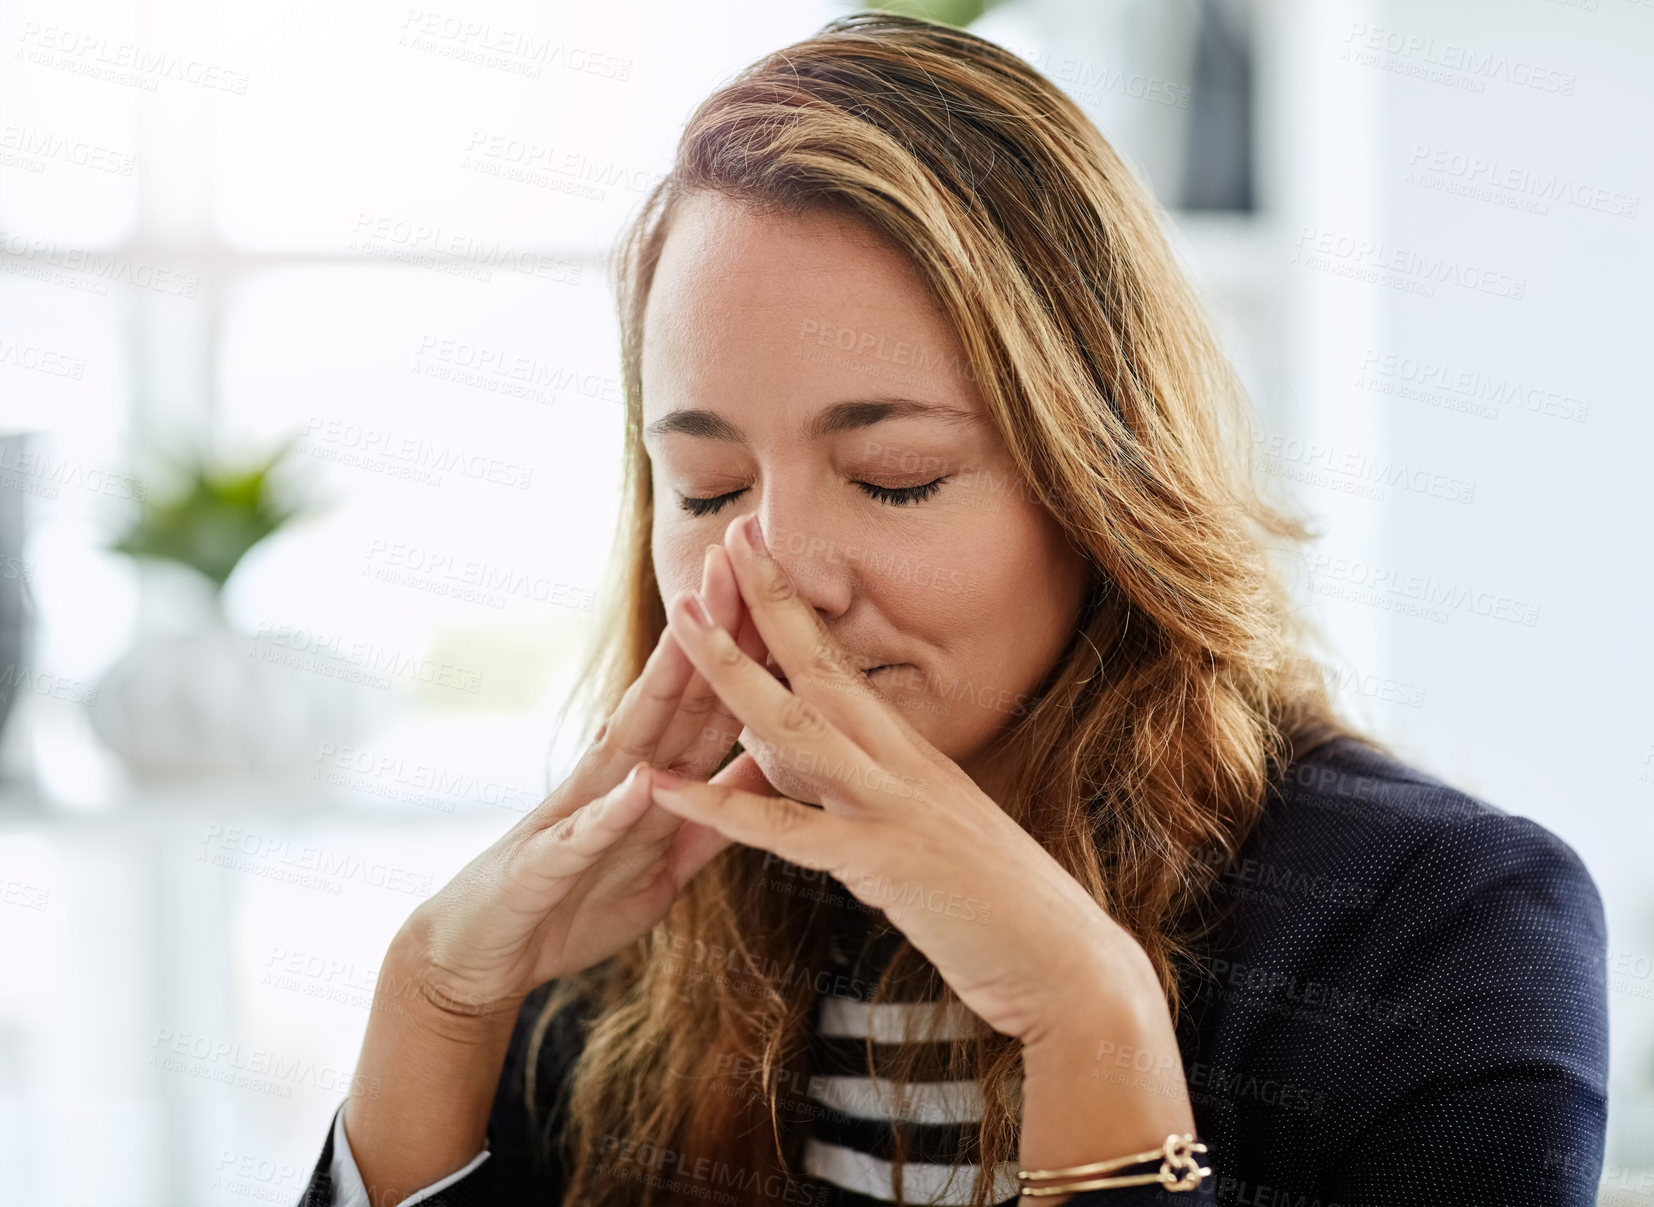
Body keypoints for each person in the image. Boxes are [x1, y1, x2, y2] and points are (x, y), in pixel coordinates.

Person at [297, 13, 1608, 1207]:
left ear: (1102, 479)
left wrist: (1089, 1021)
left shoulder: (1439, 925)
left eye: (894, 479)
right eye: (705, 490)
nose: (778, 573)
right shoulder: (621, 926)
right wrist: (436, 1002)